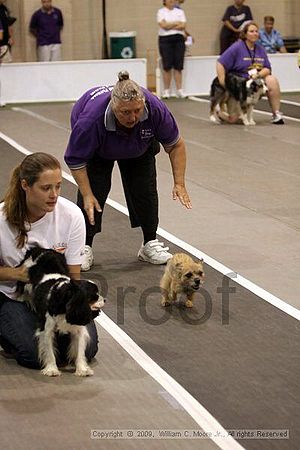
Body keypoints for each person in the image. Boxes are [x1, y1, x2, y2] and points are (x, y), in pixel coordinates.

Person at [64, 71, 192, 272]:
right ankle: (84, 246)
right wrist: (87, 194)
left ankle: (149, 243)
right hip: (99, 148)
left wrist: (179, 183)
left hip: (139, 146)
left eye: (137, 111)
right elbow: (75, 159)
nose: (132, 117)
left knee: (145, 190)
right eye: (125, 112)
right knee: (94, 196)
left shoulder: (154, 108)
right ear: (114, 107)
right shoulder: (90, 120)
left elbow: (176, 145)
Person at [0, 153, 98, 369]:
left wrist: (75, 306)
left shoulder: (72, 215)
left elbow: (73, 277)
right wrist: (15, 274)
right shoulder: (1, 219)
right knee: (34, 356)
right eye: (46, 188)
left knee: (87, 349)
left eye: (58, 186)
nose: (54, 194)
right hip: (14, 296)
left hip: (56, 297)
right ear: (25, 185)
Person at [217, 21, 284, 124]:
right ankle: (220, 112)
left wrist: (258, 75)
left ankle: (276, 114)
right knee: (234, 120)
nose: (255, 33)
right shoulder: (236, 47)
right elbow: (220, 63)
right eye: (251, 31)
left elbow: (267, 68)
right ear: (245, 34)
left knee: (272, 80)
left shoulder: (261, 49)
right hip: (239, 85)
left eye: (256, 31)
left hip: (254, 83)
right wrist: (223, 82)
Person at [157, 0, 187, 98]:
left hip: (179, 39)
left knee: (178, 65)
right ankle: (166, 90)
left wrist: (170, 24)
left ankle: (179, 90)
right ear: (165, 1)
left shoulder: (180, 12)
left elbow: (183, 26)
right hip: (165, 40)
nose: (172, 1)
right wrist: (176, 23)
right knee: (167, 66)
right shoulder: (161, 12)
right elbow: (163, 26)